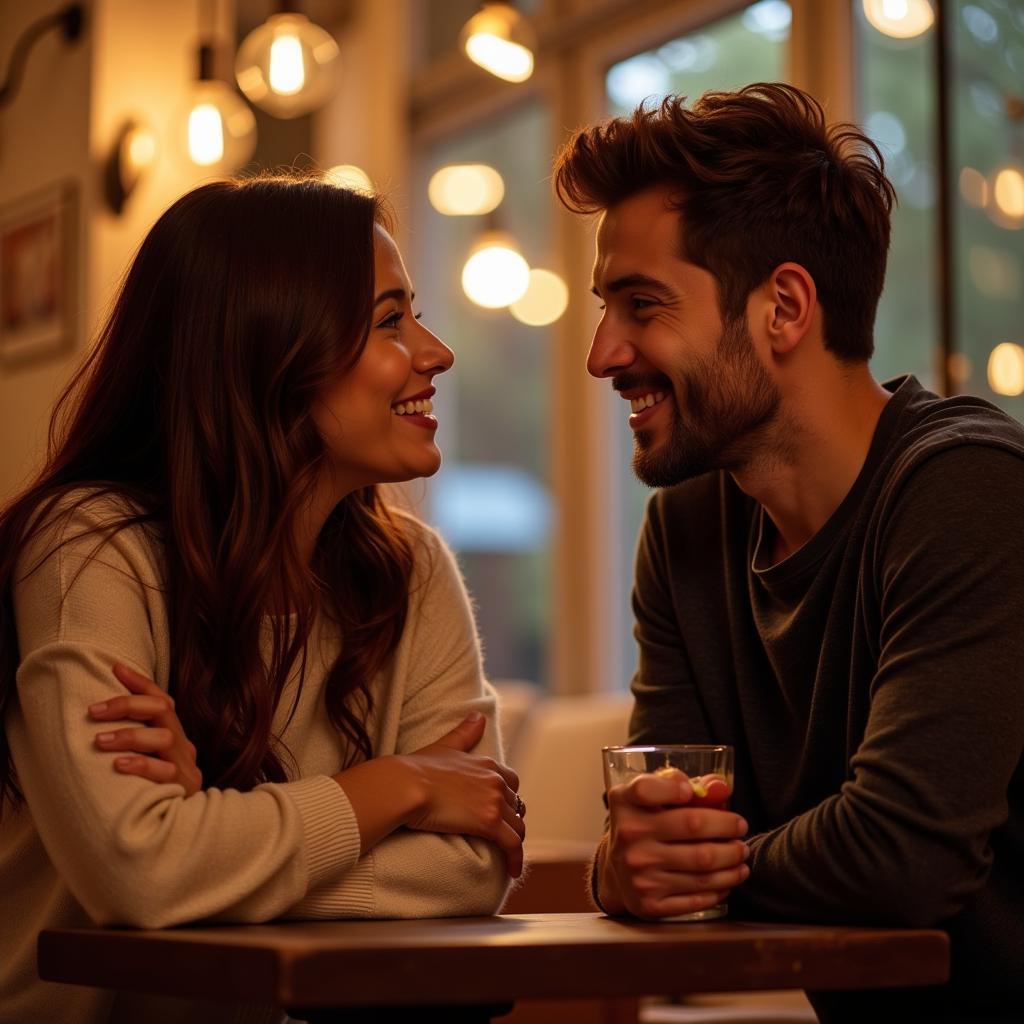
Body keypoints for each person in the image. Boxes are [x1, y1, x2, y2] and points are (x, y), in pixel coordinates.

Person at [0, 174, 526, 1024]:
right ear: (270, 347)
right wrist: (394, 789)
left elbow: (471, 871)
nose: (435, 352)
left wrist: (208, 839)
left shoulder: (412, 568)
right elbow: (139, 871)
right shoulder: (91, 548)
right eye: (391, 321)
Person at [553, 83, 1024, 1021]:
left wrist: (682, 868)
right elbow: (660, 833)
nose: (604, 354)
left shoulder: (969, 488)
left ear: (785, 308)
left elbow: (900, 861)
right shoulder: (688, 527)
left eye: (642, 304)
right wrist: (624, 867)